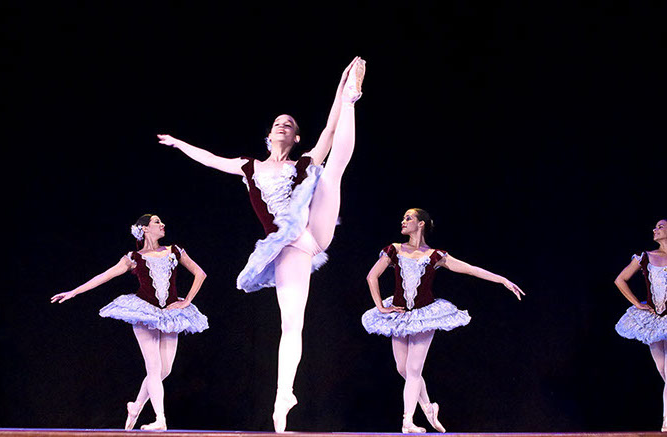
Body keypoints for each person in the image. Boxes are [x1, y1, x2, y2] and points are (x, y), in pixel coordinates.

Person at [156, 56, 365, 432]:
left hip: (313, 227)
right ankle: (284, 396)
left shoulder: (303, 162)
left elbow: (331, 129)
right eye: (278, 123)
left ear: (296, 137)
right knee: (292, 323)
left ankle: (353, 96)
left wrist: (342, 82)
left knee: (331, 172)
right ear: (269, 135)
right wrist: (178, 143)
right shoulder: (249, 166)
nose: (283, 126)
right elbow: (210, 159)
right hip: (289, 247)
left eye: (290, 124)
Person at [362, 208, 524, 433]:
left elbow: (470, 269)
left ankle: (408, 421)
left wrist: (502, 280)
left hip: (426, 315)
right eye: (403, 218)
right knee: (403, 369)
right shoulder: (394, 250)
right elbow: (372, 276)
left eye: (408, 218)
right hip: (400, 315)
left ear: (421, 224)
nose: (403, 221)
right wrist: (380, 306)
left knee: (414, 369)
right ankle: (429, 408)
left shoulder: (435, 256)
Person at [51, 214, 208, 430]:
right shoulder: (133, 257)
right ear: (144, 228)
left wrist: (186, 301)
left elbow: (200, 273)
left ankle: (136, 406)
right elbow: (104, 276)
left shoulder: (174, 250)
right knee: (154, 368)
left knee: (165, 370)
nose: (162, 225)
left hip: (170, 314)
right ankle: (160, 419)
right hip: (144, 313)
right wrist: (74, 292)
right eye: (157, 222)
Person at [614, 219, 667, 431]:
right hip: (655, 321)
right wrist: (637, 303)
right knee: (663, 370)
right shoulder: (646, 257)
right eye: (655, 227)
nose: (655, 229)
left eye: (660, 226)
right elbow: (620, 280)